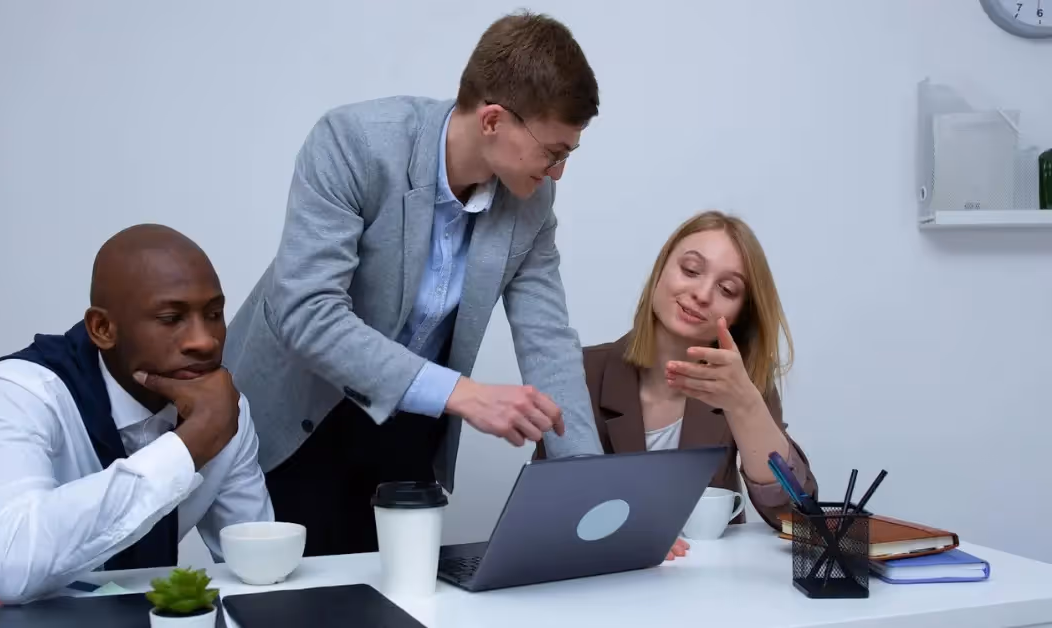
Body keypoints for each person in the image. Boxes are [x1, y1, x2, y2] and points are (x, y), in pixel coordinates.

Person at [223, 11, 604, 557]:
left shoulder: (532, 201)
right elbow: (306, 313)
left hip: (407, 428)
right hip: (296, 418)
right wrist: (464, 394)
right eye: (554, 152)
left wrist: (592, 495)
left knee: (405, 593)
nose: (558, 172)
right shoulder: (353, 142)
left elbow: (548, 341)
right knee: (292, 595)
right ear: (493, 121)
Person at [0, 224, 273, 603]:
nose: (204, 340)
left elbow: (257, 561)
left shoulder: (222, 409)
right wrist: (190, 445)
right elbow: (12, 566)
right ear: (102, 328)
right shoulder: (21, 390)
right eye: (171, 318)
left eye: (213, 314)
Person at [535, 210, 818, 560]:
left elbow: (794, 517)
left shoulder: (742, 382)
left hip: (706, 582)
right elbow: (545, 510)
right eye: (691, 270)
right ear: (660, 271)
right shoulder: (578, 373)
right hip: (601, 578)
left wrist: (745, 405)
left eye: (727, 289)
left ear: (740, 314)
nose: (702, 294)